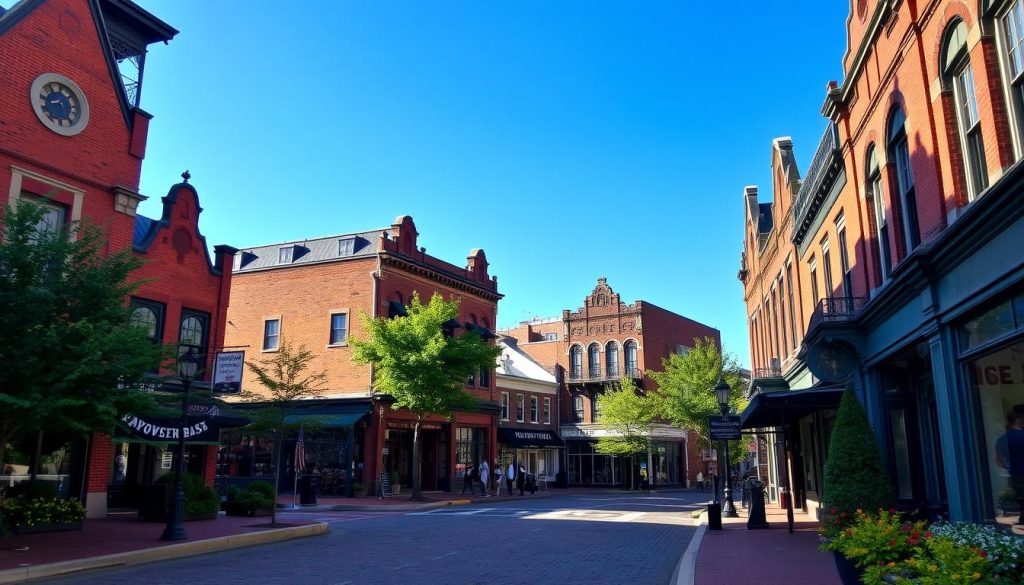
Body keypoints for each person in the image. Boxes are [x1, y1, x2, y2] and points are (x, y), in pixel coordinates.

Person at [1007, 411, 1024, 525]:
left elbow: (999, 456)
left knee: (1021, 495)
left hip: (1017, 471)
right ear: (1018, 421)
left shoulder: (1006, 437)